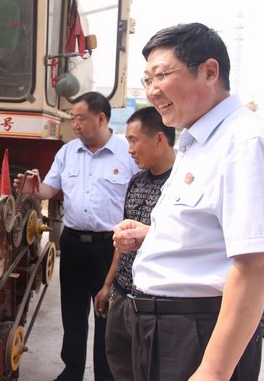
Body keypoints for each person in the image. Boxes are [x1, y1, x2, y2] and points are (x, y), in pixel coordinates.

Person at [114, 23, 264, 381]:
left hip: (199, 332)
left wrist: (213, 370)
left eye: (161, 75)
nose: (152, 90)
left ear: (209, 71)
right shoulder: (197, 141)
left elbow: (255, 264)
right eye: (147, 80)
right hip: (163, 327)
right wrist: (152, 235)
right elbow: (208, 232)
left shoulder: (245, 141)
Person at [14, 91, 139, 381]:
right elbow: (48, 189)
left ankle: (105, 376)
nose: (76, 124)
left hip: (110, 247)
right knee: (72, 312)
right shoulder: (68, 152)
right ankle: (71, 371)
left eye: (81, 118)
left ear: (101, 118)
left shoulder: (127, 154)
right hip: (72, 243)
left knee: (106, 314)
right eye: (73, 118)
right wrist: (33, 189)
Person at [94, 106, 176, 380]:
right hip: (122, 295)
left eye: (133, 140)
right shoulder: (136, 181)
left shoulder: (181, 186)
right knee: (120, 367)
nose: (129, 150)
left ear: (159, 139)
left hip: (156, 302)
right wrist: (108, 286)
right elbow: (124, 242)